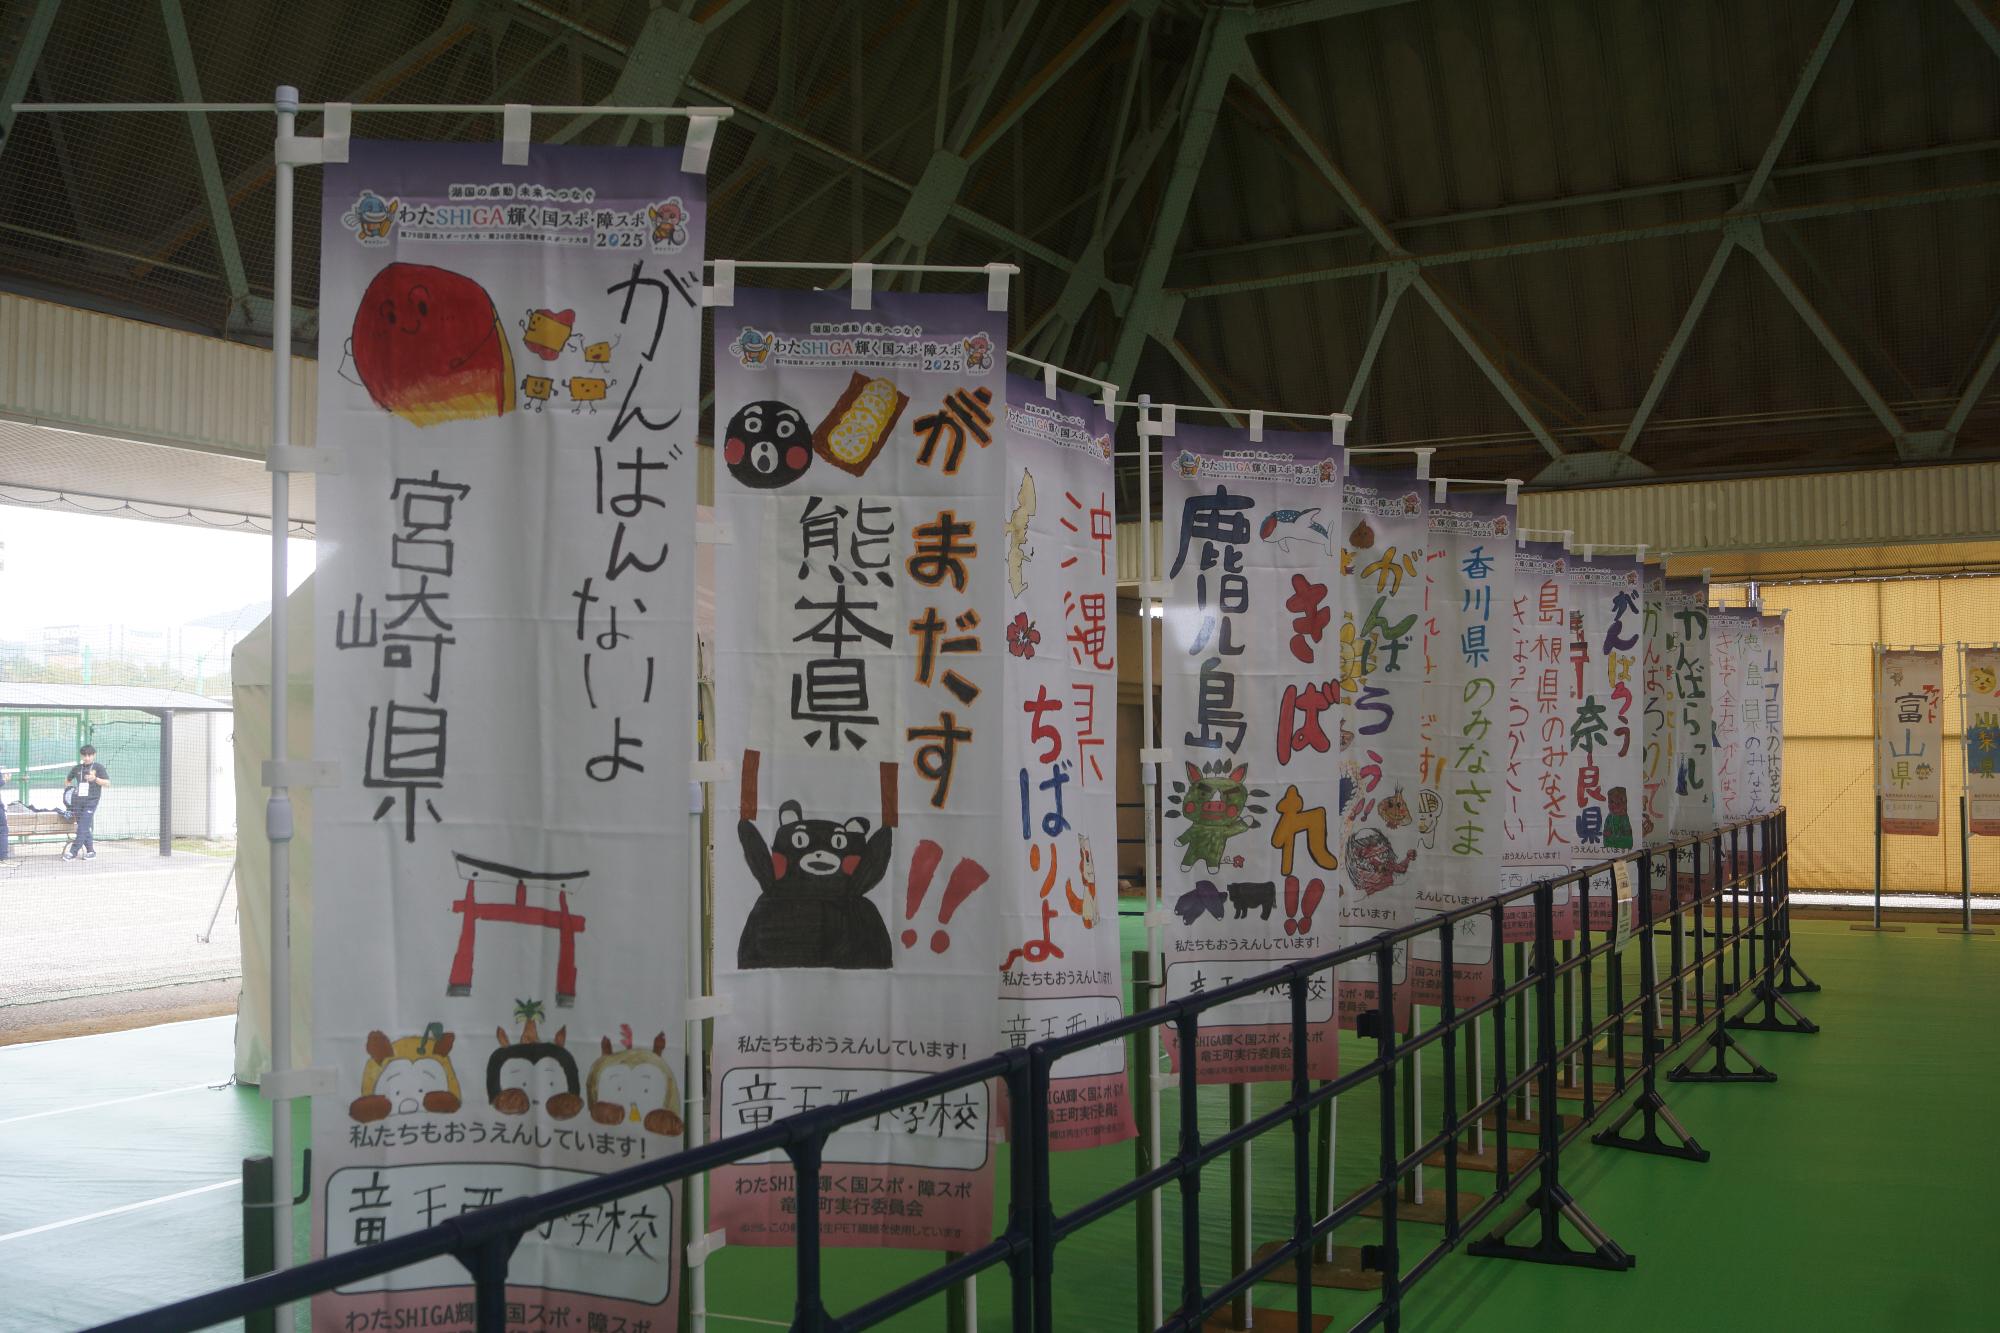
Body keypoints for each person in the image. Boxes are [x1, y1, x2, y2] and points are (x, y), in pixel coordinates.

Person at [64, 745, 110, 862]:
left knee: (83, 826)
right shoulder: (77, 768)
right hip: (78, 802)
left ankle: (73, 852)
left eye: (89, 755)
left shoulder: (98, 767)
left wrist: (95, 779)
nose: (87, 758)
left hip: (91, 802)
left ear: (94, 755)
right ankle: (91, 851)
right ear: (81, 756)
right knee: (83, 827)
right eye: (85, 755)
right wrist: (70, 790)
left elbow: (107, 783)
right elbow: (68, 780)